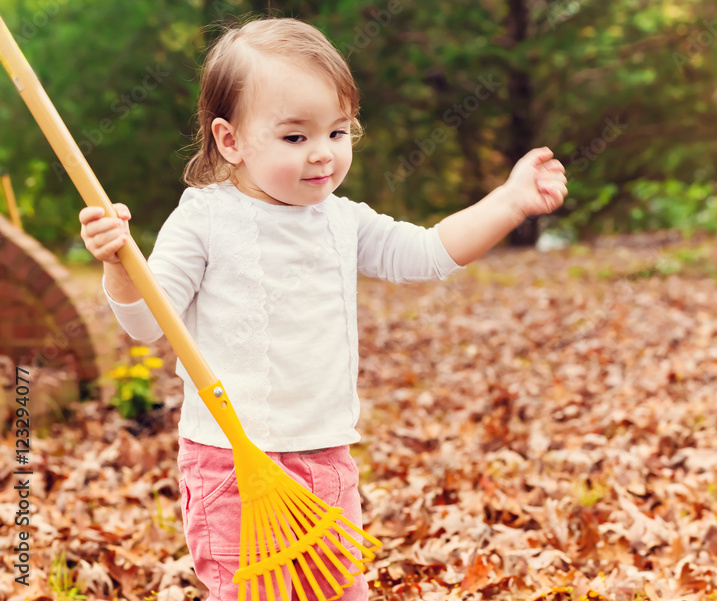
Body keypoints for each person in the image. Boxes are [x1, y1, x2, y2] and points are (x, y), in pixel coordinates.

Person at [78, 17, 566, 601]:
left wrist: (509, 202)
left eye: (338, 132)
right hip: (230, 464)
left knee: (339, 592)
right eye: (294, 137)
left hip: (325, 455)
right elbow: (146, 324)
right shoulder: (206, 219)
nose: (323, 156)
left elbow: (428, 252)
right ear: (230, 140)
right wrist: (118, 265)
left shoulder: (341, 218)